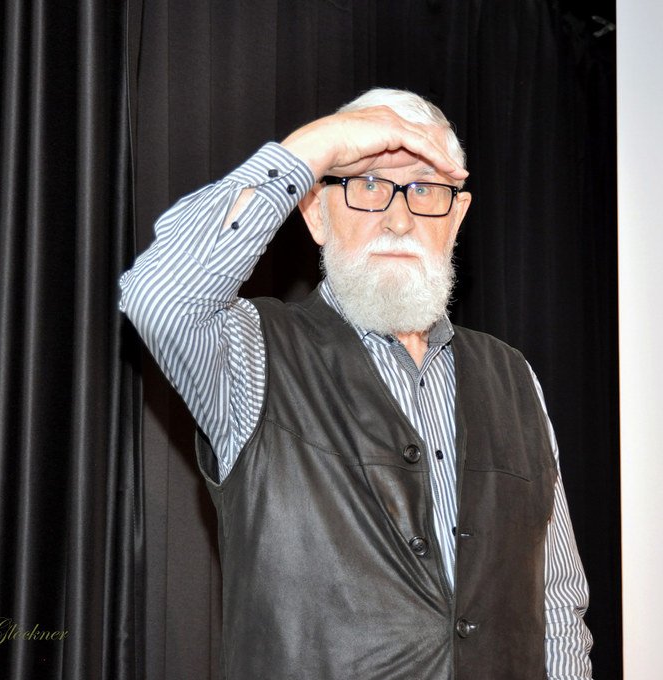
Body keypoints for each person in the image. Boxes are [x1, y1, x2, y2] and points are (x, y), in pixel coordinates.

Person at [119, 88, 593, 679]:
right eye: (367, 185)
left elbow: (556, 606)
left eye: (425, 189)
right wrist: (322, 144)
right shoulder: (253, 353)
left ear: (456, 218)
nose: (399, 219)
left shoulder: (514, 378)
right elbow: (158, 295)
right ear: (316, 213)